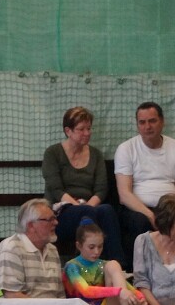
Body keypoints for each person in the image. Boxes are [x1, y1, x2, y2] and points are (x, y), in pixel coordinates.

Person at [42, 106, 124, 264]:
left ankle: (117, 265)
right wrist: (81, 208)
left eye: (89, 128)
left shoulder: (96, 154)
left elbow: (101, 189)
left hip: (89, 206)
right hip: (61, 212)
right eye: (81, 129)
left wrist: (88, 207)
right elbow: (56, 189)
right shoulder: (53, 153)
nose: (87, 133)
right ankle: (88, 264)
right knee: (87, 212)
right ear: (68, 131)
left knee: (107, 210)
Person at [114, 102, 175, 259]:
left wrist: (173, 213)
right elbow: (124, 194)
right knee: (139, 222)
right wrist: (150, 215)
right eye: (142, 122)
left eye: (152, 121)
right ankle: (138, 270)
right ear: (137, 125)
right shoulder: (126, 149)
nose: (147, 127)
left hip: (171, 207)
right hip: (139, 209)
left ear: (162, 122)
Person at [0, 198, 67, 299]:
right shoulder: (11, 248)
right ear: (31, 225)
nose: (56, 222)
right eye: (49, 220)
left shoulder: (52, 250)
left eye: (54, 218)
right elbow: (12, 295)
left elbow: (60, 295)